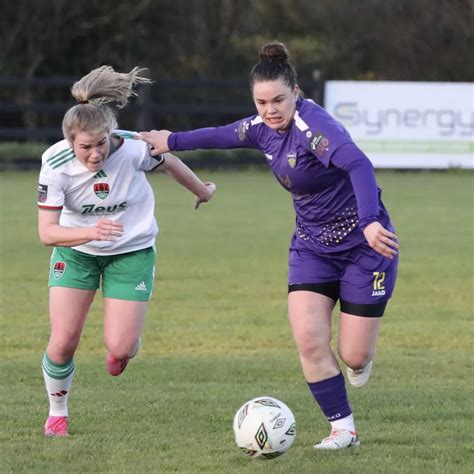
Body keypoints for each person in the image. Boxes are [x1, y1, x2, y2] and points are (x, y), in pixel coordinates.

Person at [137, 42, 399, 449]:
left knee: (354, 356)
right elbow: (224, 135)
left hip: (366, 248)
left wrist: (368, 223)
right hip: (311, 249)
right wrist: (172, 140)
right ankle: (343, 430)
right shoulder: (263, 128)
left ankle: (358, 361)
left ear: (296, 93)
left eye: (278, 100)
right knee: (310, 339)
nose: (269, 109)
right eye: (261, 102)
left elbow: (359, 165)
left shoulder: (315, 128)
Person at [37, 65, 216, 437]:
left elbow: (170, 162)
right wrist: (89, 231)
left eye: (101, 143)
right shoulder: (55, 165)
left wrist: (202, 190)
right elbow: (47, 234)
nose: (95, 153)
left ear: (110, 133)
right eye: (85, 147)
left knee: (120, 347)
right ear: (70, 141)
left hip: (131, 252)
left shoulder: (132, 147)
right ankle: (58, 414)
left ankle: (123, 347)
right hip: (77, 253)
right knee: (63, 341)